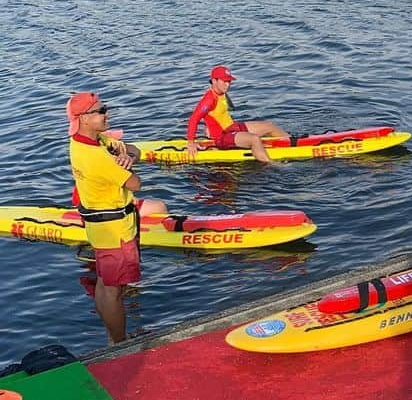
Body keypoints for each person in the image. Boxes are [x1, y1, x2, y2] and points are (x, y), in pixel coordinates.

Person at [67, 92, 166, 344]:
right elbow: (136, 183)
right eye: (101, 110)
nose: (106, 113)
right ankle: (119, 344)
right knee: (114, 291)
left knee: (104, 284)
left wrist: (128, 156)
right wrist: (127, 165)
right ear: (85, 118)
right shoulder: (96, 155)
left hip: (101, 229)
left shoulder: (88, 141)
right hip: (115, 231)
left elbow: (134, 149)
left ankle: (112, 337)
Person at [186, 65, 290, 164]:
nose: (228, 84)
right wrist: (191, 143)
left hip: (232, 128)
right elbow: (194, 119)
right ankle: (272, 164)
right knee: (254, 139)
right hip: (222, 137)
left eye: (229, 81)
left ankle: (294, 142)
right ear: (214, 81)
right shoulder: (209, 100)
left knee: (269, 126)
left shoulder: (221, 92)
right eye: (224, 81)